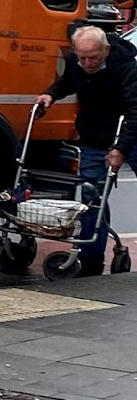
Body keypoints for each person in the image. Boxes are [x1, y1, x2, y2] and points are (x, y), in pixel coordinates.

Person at [36, 23, 137, 274]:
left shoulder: (126, 68)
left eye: (93, 57)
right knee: (93, 199)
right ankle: (91, 262)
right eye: (82, 57)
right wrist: (50, 94)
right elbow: (68, 81)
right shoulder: (77, 63)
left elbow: (135, 113)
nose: (88, 63)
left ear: (106, 50)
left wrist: (120, 149)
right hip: (94, 136)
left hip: (128, 134)